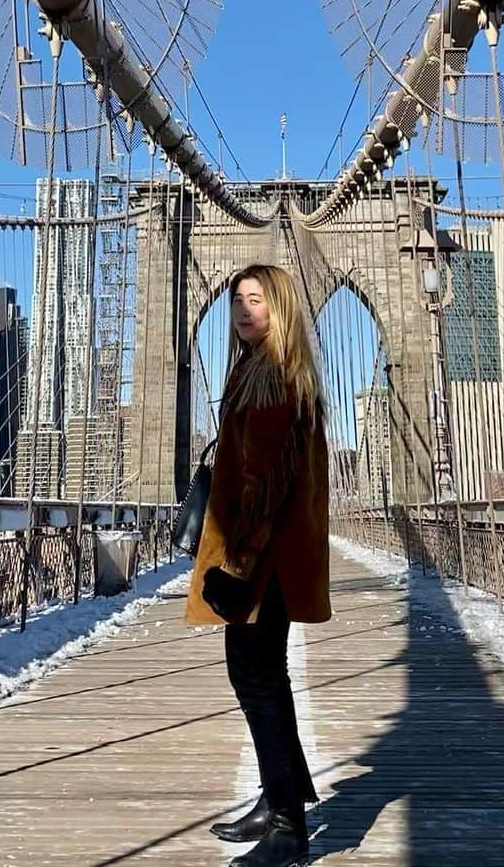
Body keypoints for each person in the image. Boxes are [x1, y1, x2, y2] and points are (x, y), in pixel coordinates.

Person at [185, 263, 330, 867]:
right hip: (269, 556)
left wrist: (236, 564)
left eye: (257, 300)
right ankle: (281, 794)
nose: (243, 310)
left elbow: (264, 484)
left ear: (281, 310)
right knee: (265, 676)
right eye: (237, 301)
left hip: (259, 560)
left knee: (255, 678)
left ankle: (287, 826)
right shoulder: (265, 370)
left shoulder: (270, 378)